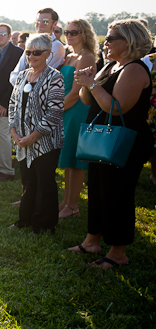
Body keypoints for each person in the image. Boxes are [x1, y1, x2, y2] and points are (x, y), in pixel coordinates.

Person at [69, 19, 153, 269]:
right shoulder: (111, 66)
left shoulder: (135, 69)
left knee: (118, 195)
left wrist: (92, 84)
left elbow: (117, 108)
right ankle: (91, 241)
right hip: (102, 139)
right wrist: (86, 82)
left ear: (129, 41)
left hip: (124, 141)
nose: (105, 43)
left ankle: (118, 253)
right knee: (97, 190)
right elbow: (87, 100)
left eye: (111, 38)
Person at [9, 34, 64, 234]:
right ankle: (25, 219)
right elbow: (12, 104)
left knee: (45, 182)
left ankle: (45, 224)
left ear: (48, 54)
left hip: (45, 141)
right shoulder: (23, 75)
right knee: (28, 181)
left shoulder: (54, 76)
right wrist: (14, 132)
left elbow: (55, 111)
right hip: (23, 140)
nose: (32, 56)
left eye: (37, 53)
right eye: (28, 52)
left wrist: (34, 136)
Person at [57, 19, 97, 219]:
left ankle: (73, 205)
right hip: (66, 109)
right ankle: (65, 201)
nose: (69, 35)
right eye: (67, 31)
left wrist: (54, 112)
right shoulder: (69, 55)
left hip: (77, 110)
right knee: (68, 158)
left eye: (74, 32)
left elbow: (76, 93)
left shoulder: (86, 57)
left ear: (84, 34)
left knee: (76, 159)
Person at [0, 23, 24, 181]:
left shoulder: (18, 53)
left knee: (3, 135)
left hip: (6, 102)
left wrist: (5, 104)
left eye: (2, 34)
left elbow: (15, 81)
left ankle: (7, 170)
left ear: (9, 36)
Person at [10, 8, 66, 85]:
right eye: (38, 21)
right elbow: (14, 74)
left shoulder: (56, 46)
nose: (41, 23)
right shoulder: (30, 43)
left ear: (54, 24)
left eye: (45, 21)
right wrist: (21, 87)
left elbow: (40, 74)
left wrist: (22, 82)